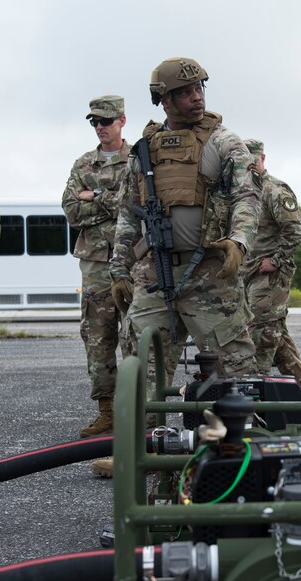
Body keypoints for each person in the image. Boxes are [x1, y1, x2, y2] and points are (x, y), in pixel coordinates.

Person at [110, 57, 259, 387]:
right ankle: (145, 422)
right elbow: (128, 212)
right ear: (164, 100)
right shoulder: (144, 150)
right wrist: (119, 270)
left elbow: (247, 196)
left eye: (199, 88)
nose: (197, 97)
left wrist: (239, 241)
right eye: (185, 92)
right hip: (153, 273)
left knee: (236, 374)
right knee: (140, 374)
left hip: (210, 274)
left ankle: (233, 422)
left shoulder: (223, 142)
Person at [62, 95, 130, 445]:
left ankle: (137, 412)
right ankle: (106, 411)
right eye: (95, 122)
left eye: (106, 121)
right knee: (98, 338)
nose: (100, 127)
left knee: (135, 337)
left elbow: (135, 203)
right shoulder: (83, 164)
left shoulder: (138, 159)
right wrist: (110, 201)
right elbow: (72, 211)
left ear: (122, 120)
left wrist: (96, 196)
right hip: (95, 266)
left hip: (132, 262)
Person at [241, 138, 301, 386]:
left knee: (262, 331)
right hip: (249, 273)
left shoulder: (274, 190)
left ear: (262, 159)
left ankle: (254, 386)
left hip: (270, 274)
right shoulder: (243, 192)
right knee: (277, 336)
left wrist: (276, 260)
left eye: (253, 160)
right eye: (244, 162)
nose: (249, 166)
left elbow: (295, 231)